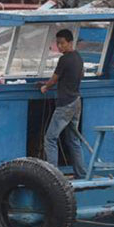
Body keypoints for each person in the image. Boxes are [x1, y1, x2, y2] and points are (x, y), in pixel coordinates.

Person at [40, 28, 86, 179]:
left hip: (66, 104)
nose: (59, 46)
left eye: (62, 43)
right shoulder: (78, 57)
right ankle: (81, 174)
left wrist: (45, 87)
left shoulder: (64, 59)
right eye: (58, 43)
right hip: (76, 101)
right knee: (73, 140)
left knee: (50, 138)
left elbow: (54, 79)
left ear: (70, 43)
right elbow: (81, 75)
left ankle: (53, 176)